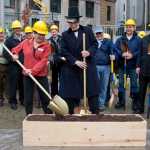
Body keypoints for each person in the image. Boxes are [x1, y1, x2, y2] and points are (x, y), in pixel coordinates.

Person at [59, 6, 100, 114]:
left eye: (73, 22)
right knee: (72, 95)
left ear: (78, 21)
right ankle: (74, 116)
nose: (71, 25)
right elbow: (64, 51)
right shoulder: (64, 35)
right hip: (73, 69)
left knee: (92, 93)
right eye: (69, 23)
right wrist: (75, 61)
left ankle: (95, 115)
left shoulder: (87, 30)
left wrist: (89, 52)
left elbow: (95, 44)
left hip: (88, 67)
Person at [12, 21, 52, 115]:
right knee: (28, 99)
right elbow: (15, 49)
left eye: (43, 34)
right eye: (38, 33)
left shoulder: (47, 46)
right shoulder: (26, 42)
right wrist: (15, 54)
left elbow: (43, 61)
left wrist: (32, 71)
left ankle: (49, 117)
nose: (40, 36)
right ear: (34, 32)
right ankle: (28, 116)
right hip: (27, 75)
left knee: (45, 98)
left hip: (41, 75)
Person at [115, 19, 141, 113]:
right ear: (125, 28)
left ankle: (135, 103)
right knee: (121, 83)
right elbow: (115, 49)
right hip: (122, 66)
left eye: (131, 26)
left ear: (134, 28)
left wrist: (132, 55)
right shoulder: (120, 39)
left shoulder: (138, 40)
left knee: (134, 85)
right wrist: (121, 54)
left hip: (133, 66)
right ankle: (121, 101)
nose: (129, 28)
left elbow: (140, 51)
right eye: (127, 26)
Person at [3, 20, 24, 109]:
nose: (17, 30)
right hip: (13, 67)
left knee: (22, 84)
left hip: (23, 66)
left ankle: (23, 100)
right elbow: (5, 52)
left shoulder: (24, 39)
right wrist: (12, 58)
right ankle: (13, 101)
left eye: (18, 28)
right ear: (13, 29)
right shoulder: (9, 40)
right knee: (13, 84)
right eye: (16, 28)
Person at [94, 26, 115, 111]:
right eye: (97, 33)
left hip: (106, 67)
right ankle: (95, 103)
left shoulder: (108, 42)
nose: (99, 35)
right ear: (95, 34)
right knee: (95, 86)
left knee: (104, 86)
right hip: (95, 67)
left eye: (100, 33)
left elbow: (113, 51)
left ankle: (101, 104)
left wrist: (114, 56)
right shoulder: (93, 42)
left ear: (103, 33)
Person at [48, 24, 65, 97]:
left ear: (57, 32)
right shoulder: (49, 41)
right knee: (54, 80)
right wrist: (59, 57)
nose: (53, 33)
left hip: (62, 63)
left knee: (62, 79)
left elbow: (64, 50)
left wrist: (62, 57)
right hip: (54, 63)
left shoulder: (62, 40)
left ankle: (62, 94)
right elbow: (50, 54)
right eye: (52, 32)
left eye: (55, 31)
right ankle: (54, 94)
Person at [136, 31, 150, 114]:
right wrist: (138, 66)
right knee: (141, 91)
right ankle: (140, 108)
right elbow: (139, 54)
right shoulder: (144, 39)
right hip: (143, 69)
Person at [0, 27, 8, 106]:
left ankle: (10, 99)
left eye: (1, 33)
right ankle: (1, 98)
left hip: (9, 65)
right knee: (0, 83)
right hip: (0, 65)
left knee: (8, 83)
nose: (0, 35)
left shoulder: (7, 42)